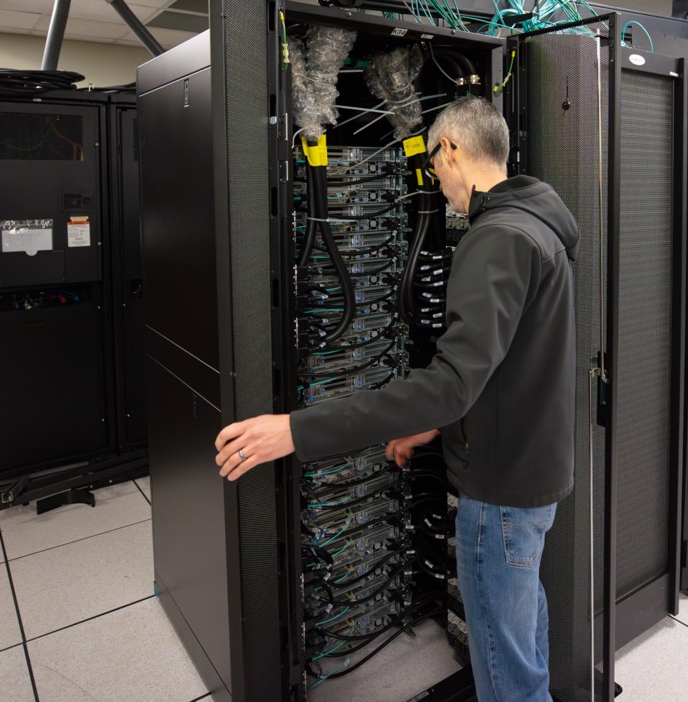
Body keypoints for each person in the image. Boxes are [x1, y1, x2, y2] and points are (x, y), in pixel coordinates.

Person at [214, 95, 578, 702]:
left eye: (435, 165)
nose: (436, 183)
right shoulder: (538, 224)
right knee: (522, 635)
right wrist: (438, 427)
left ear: (453, 149)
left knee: (505, 671)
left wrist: (297, 430)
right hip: (533, 476)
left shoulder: (495, 238)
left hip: (500, 493)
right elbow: (512, 367)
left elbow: (449, 383)